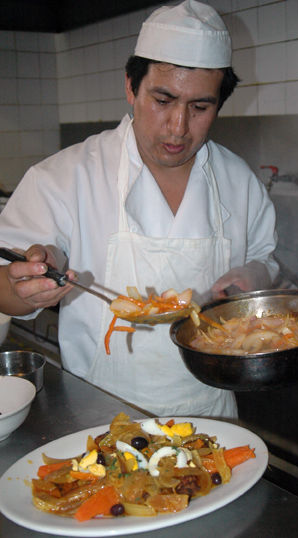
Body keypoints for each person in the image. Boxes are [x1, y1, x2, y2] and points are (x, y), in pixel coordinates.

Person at [0, 0, 278, 420]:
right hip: (99, 421)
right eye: (162, 100)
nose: (178, 127)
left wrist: (251, 277)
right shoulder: (63, 176)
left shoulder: (239, 182)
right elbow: (4, 286)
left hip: (213, 419)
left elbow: (266, 261)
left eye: (200, 107)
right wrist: (26, 285)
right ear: (131, 87)